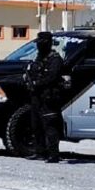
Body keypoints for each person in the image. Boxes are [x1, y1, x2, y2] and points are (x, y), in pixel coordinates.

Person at [24, 31, 64, 163]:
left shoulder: (55, 59)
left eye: (41, 44)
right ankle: (40, 152)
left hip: (49, 96)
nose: (39, 47)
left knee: (50, 126)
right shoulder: (38, 58)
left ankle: (53, 154)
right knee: (36, 125)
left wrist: (37, 83)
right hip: (36, 96)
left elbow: (52, 77)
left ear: (47, 44)